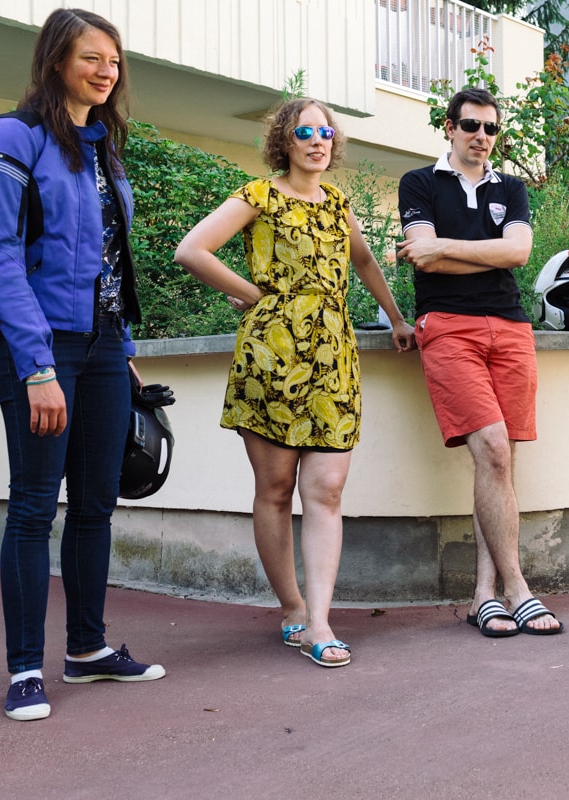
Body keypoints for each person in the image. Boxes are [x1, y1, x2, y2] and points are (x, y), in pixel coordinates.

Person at [0, 8, 167, 721]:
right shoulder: (10, 137)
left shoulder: (103, 148)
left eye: (114, 59)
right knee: (31, 506)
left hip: (106, 346)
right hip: (38, 345)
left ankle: (87, 651)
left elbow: (109, 266)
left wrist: (128, 355)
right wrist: (37, 365)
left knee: (94, 506)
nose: (107, 70)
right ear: (55, 61)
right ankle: (24, 669)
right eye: (91, 57)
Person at [174, 98, 415, 666]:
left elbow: (364, 262)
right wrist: (254, 293)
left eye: (326, 131)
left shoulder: (337, 202)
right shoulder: (258, 195)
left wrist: (396, 316)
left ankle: (321, 621)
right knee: (276, 491)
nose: (317, 140)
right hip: (272, 355)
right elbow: (193, 249)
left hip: (333, 356)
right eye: (305, 130)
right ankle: (291, 609)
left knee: (327, 490)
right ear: (285, 140)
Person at [396, 87, 562, 637]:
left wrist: (444, 249)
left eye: (490, 129)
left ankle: (483, 596)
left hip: (511, 328)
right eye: (470, 126)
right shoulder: (419, 183)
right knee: (491, 449)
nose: (481, 137)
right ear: (449, 127)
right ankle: (519, 588)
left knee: (500, 463)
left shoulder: (510, 188)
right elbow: (425, 257)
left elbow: (517, 254)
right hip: (448, 328)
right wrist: (471, 253)